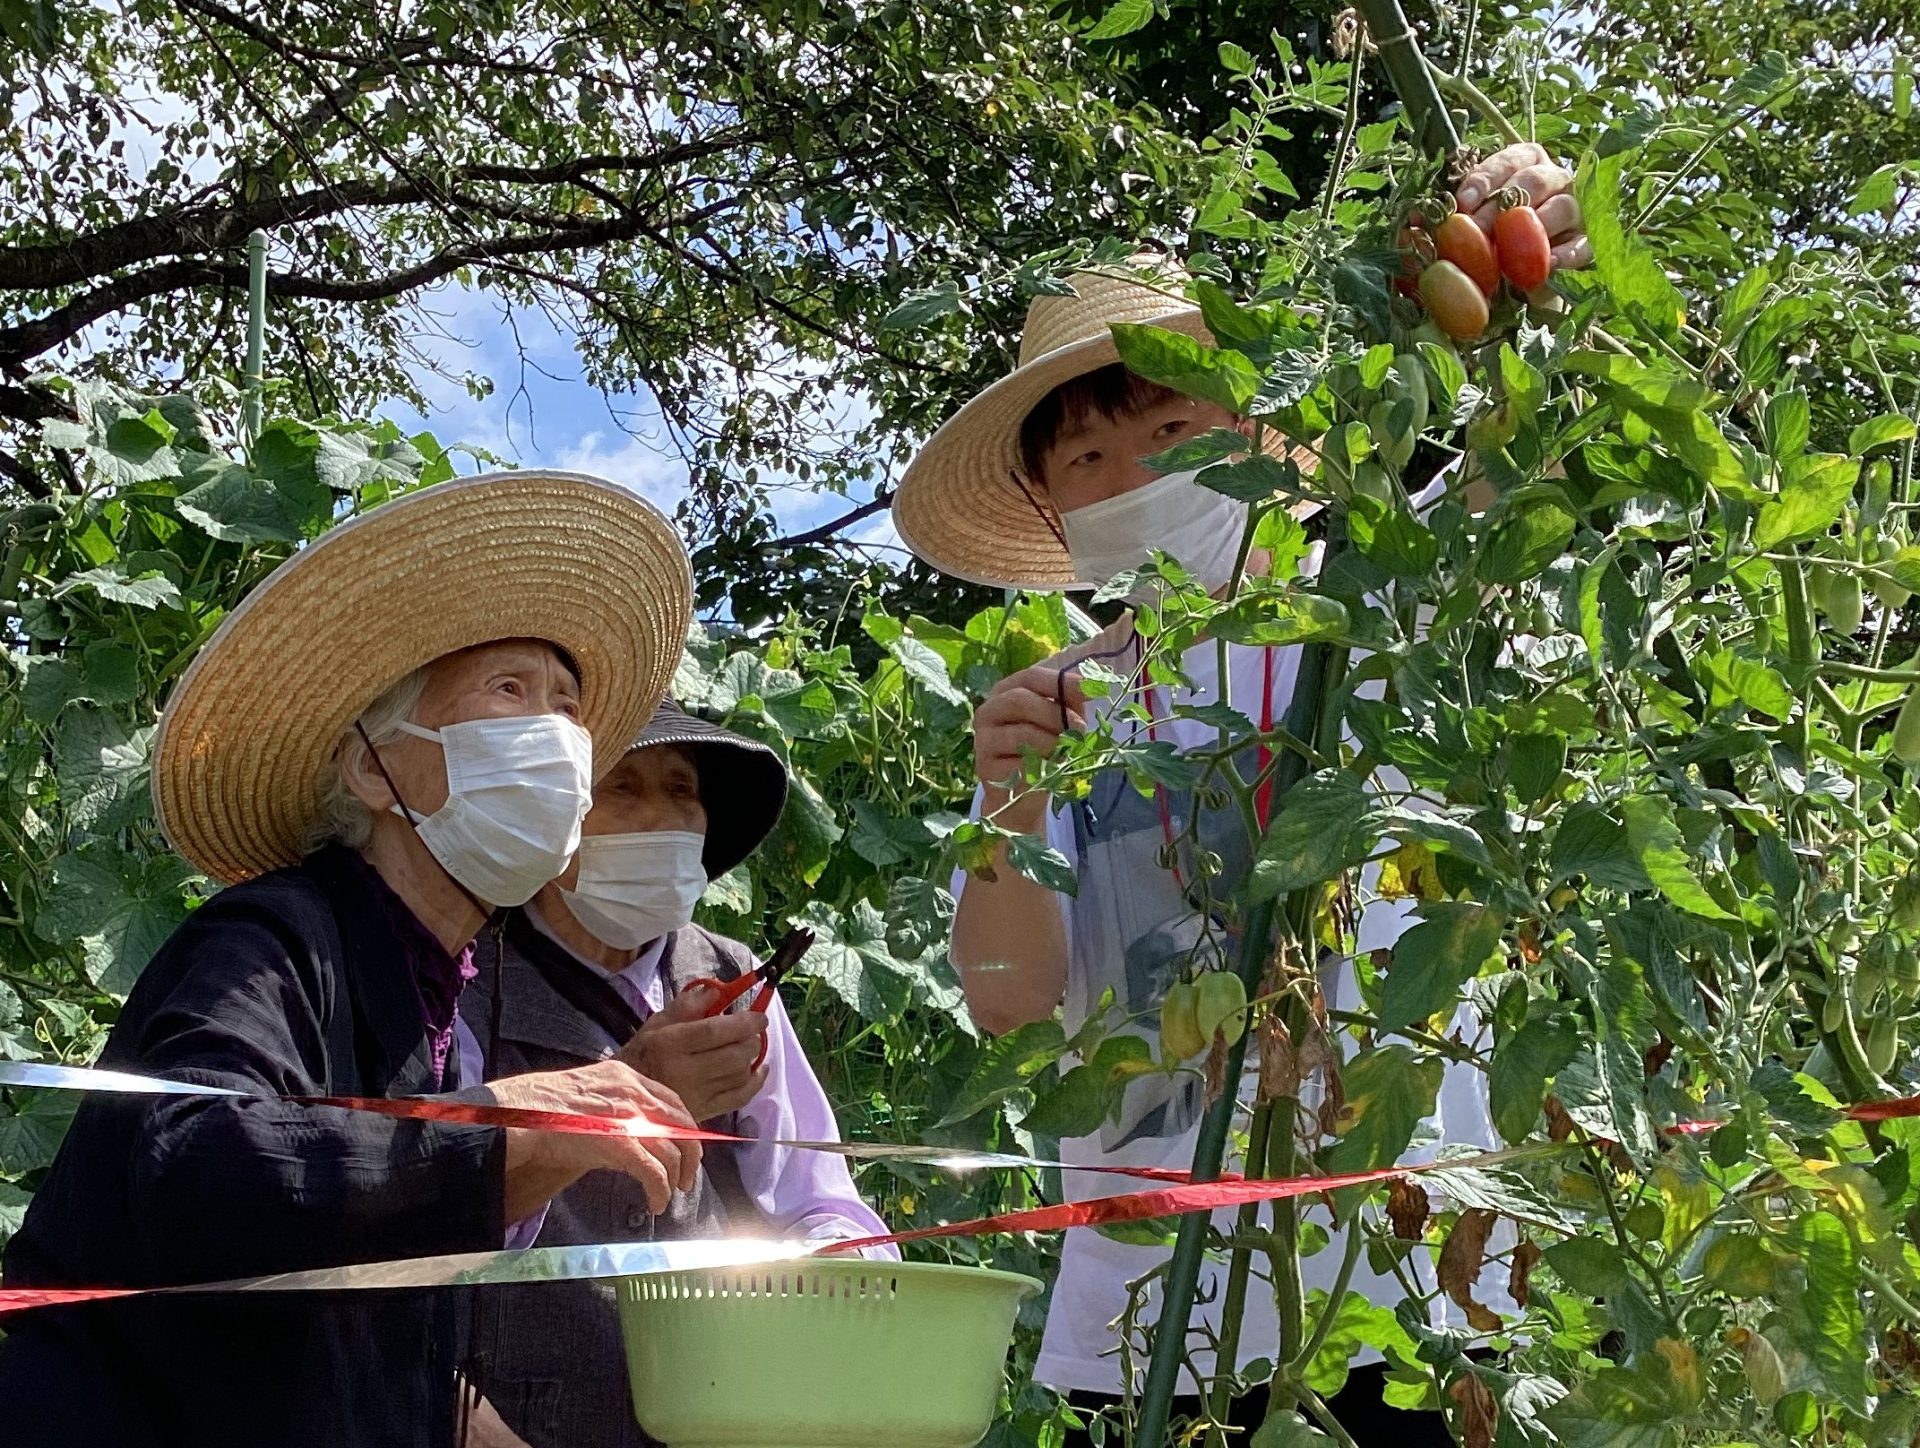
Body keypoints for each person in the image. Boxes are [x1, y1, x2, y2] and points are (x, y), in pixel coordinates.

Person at [891, 147, 1591, 1443]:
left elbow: (1521, 484)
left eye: (1168, 431)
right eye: (1087, 459)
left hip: (1390, 1282)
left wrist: (1517, 266)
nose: (1131, 481)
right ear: (1049, 514)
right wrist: (1008, 804)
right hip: (1153, 1319)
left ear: (1261, 432)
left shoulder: (1366, 596)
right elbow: (1007, 1004)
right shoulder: (1060, 714)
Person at [0, 470, 704, 1448]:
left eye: (567, 705)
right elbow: (197, 1168)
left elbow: (388, 1336)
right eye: (510, 689)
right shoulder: (268, 941)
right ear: (376, 766)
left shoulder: (446, 1018)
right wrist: (507, 1129)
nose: (557, 736)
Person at [455, 699, 896, 1448]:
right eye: (621, 788)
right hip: (517, 1415)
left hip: (717, 1415)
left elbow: (813, 1196)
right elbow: (432, 1209)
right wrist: (630, 1096)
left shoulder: (735, 979)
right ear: (558, 817)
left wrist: (834, 1271)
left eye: (681, 788)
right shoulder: (469, 982)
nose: (659, 814)